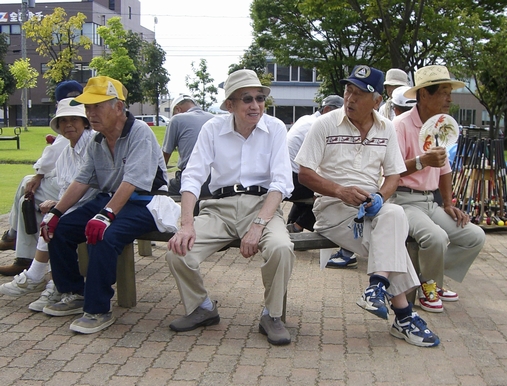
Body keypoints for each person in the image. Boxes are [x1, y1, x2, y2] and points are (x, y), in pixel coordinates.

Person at [296, 65, 439, 347]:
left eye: (360, 93)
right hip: (332, 210)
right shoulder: (325, 124)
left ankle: (378, 289)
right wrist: (340, 190)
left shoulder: (386, 129)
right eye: (348, 90)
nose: (350, 98)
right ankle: (403, 316)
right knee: (392, 241)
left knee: (395, 211)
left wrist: (380, 197)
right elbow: (304, 174)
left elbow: (394, 175)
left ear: (377, 101)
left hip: (372, 210)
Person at [38, 76, 180, 334]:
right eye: (88, 107)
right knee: (59, 229)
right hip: (112, 199)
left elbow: (132, 182)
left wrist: (105, 216)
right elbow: (82, 180)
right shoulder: (97, 140)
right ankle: (73, 292)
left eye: (97, 106)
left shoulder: (140, 133)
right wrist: (57, 212)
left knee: (103, 235)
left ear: (118, 107)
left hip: (145, 202)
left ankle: (97, 308)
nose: (90, 113)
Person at [166, 69, 295, 346]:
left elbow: (281, 182)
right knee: (178, 251)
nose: (255, 105)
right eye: (246, 99)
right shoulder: (212, 129)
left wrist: (258, 225)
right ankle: (202, 308)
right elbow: (192, 176)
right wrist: (186, 224)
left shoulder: (275, 128)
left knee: (281, 247)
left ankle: (272, 315)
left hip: (263, 207)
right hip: (219, 209)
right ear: (229, 105)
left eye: (260, 98)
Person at [391, 65, 486, 313]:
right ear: (423, 95)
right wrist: (423, 160)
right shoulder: (399, 125)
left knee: (474, 237)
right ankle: (430, 286)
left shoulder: (441, 126)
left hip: (429, 202)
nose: (449, 99)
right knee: (436, 237)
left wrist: (448, 204)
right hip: (402, 200)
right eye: (443, 92)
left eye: (449, 92)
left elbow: (445, 170)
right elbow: (390, 172)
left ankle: (429, 280)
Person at [0, 98, 98, 311]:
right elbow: (66, 188)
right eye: (63, 121)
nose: (69, 125)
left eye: (74, 120)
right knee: (47, 216)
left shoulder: (94, 144)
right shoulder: (65, 153)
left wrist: (58, 207)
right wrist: (56, 204)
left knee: (54, 222)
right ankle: (52, 282)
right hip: (78, 204)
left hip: (98, 205)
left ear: (85, 123)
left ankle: (42, 277)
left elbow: (92, 186)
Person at [0, 80, 83, 276]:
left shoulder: (80, 120)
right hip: (77, 183)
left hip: (85, 191)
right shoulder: (82, 116)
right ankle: (18, 244)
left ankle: (22, 252)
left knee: (28, 194)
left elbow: (52, 156)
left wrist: (38, 175)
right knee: (28, 188)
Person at [286, 95, 344, 233]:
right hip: (292, 182)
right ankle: (297, 227)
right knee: (331, 194)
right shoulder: (317, 127)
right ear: (327, 109)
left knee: (316, 185)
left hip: (287, 176)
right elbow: (326, 163)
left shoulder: (306, 119)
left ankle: (292, 224)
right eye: (339, 114)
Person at [162, 95, 214, 197]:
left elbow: (165, 156)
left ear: (177, 109)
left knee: (165, 189)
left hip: (192, 180)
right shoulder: (214, 118)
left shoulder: (177, 119)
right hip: (215, 182)